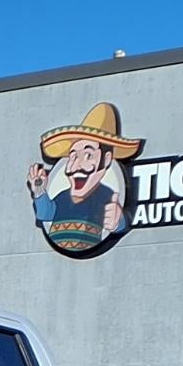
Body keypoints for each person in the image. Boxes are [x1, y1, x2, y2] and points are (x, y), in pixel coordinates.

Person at [28, 102, 144, 253]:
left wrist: (119, 223)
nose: (76, 165)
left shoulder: (107, 196)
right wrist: (39, 191)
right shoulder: (62, 197)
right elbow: (45, 214)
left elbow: (116, 221)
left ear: (107, 159)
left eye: (88, 155)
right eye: (73, 156)